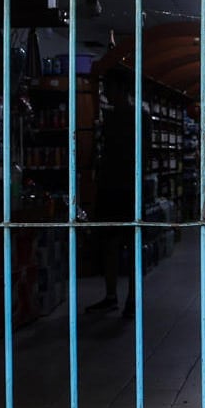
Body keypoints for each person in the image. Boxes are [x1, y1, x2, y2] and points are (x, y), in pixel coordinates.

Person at [88, 67, 139, 318]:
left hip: (118, 188)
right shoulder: (136, 117)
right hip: (125, 189)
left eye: (108, 87)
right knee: (122, 244)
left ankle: (119, 296)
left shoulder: (125, 118)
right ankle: (125, 297)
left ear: (119, 88)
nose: (106, 92)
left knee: (114, 244)